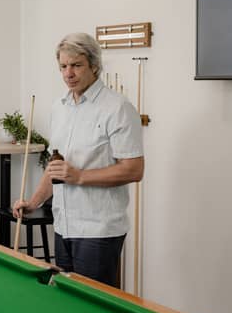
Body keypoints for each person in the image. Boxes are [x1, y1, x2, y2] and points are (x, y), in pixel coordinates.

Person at [12, 33, 143, 288]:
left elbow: (134, 169)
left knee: (96, 312)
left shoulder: (117, 108)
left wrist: (80, 176)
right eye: (63, 66)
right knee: (66, 304)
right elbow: (56, 169)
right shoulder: (59, 107)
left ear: (94, 65)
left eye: (76, 65)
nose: (68, 73)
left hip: (99, 231)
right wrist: (33, 202)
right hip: (64, 226)